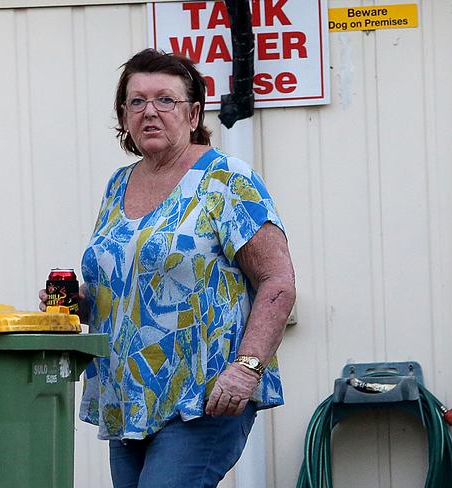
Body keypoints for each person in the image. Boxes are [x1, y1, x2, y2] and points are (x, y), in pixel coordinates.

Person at [39, 48, 295, 488]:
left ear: (193, 113)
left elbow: (277, 281)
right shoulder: (119, 184)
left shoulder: (226, 179)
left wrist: (248, 366)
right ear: (123, 115)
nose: (149, 112)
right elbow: (131, 280)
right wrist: (79, 303)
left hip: (204, 394)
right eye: (136, 102)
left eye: (165, 100)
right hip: (128, 394)